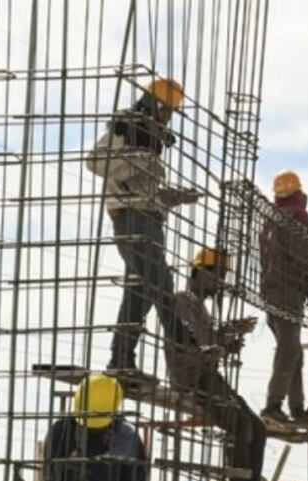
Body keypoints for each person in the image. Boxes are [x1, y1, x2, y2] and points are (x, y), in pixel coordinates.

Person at [87, 76, 201, 378]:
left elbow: (147, 192)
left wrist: (176, 196)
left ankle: (121, 360)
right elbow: (95, 162)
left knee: (139, 296)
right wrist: (136, 160)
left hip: (148, 219)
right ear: (152, 104)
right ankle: (179, 336)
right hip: (130, 219)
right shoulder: (125, 128)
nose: (167, 117)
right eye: (165, 110)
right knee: (160, 281)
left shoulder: (151, 137)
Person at [165, 248, 271, 481]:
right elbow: (201, 339)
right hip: (192, 377)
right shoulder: (183, 300)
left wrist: (228, 342)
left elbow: (211, 342)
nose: (221, 283)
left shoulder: (200, 306)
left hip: (207, 374)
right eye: (218, 275)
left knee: (257, 427)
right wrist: (228, 332)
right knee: (238, 422)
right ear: (199, 273)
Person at [259, 170, 308, 424]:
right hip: (287, 292)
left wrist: (306, 287)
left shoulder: (271, 219)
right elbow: (297, 253)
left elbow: (279, 257)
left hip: (271, 292)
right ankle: (273, 405)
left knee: (294, 350)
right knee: (289, 349)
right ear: (298, 192)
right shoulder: (298, 215)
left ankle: (296, 408)